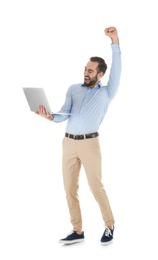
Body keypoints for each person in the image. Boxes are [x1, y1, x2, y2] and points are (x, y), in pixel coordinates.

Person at [36, 26, 122, 245]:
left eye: (91, 70)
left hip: (90, 144)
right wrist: (49, 117)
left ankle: (110, 226)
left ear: (100, 74)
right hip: (68, 143)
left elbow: (118, 69)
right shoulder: (74, 89)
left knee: (96, 187)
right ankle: (77, 230)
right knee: (69, 189)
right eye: (85, 69)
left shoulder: (106, 92)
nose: (86, 72)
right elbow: (63, 113)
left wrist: (115, 41)